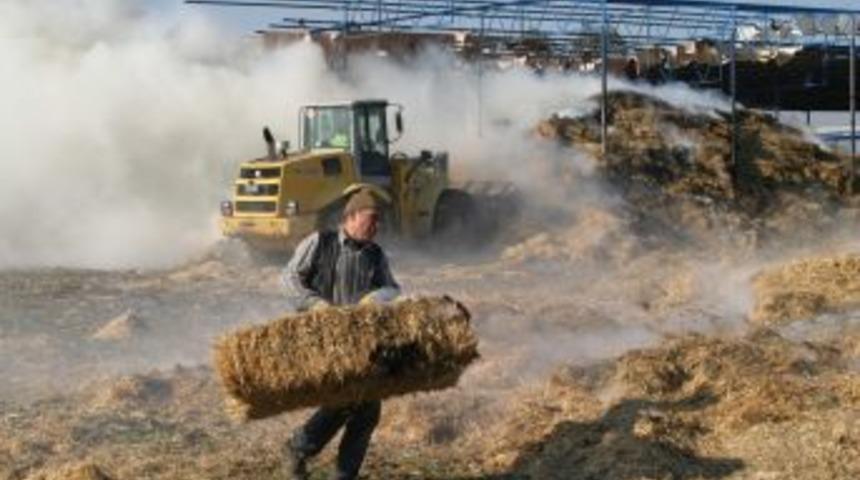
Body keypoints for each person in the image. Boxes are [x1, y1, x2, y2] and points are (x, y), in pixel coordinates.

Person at [281, 188, 400, 480]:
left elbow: (393, 288)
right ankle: (300, 447)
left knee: (366, 409)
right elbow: (289, 278)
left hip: (362, 342)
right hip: (322, 339)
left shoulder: (375, 254)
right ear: (350, 217)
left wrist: (378, 297)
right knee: (349, 400)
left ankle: (335, 469)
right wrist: (315, 304)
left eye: (379, 221)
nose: (376, 227)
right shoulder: (320, 242)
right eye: (371, 219)